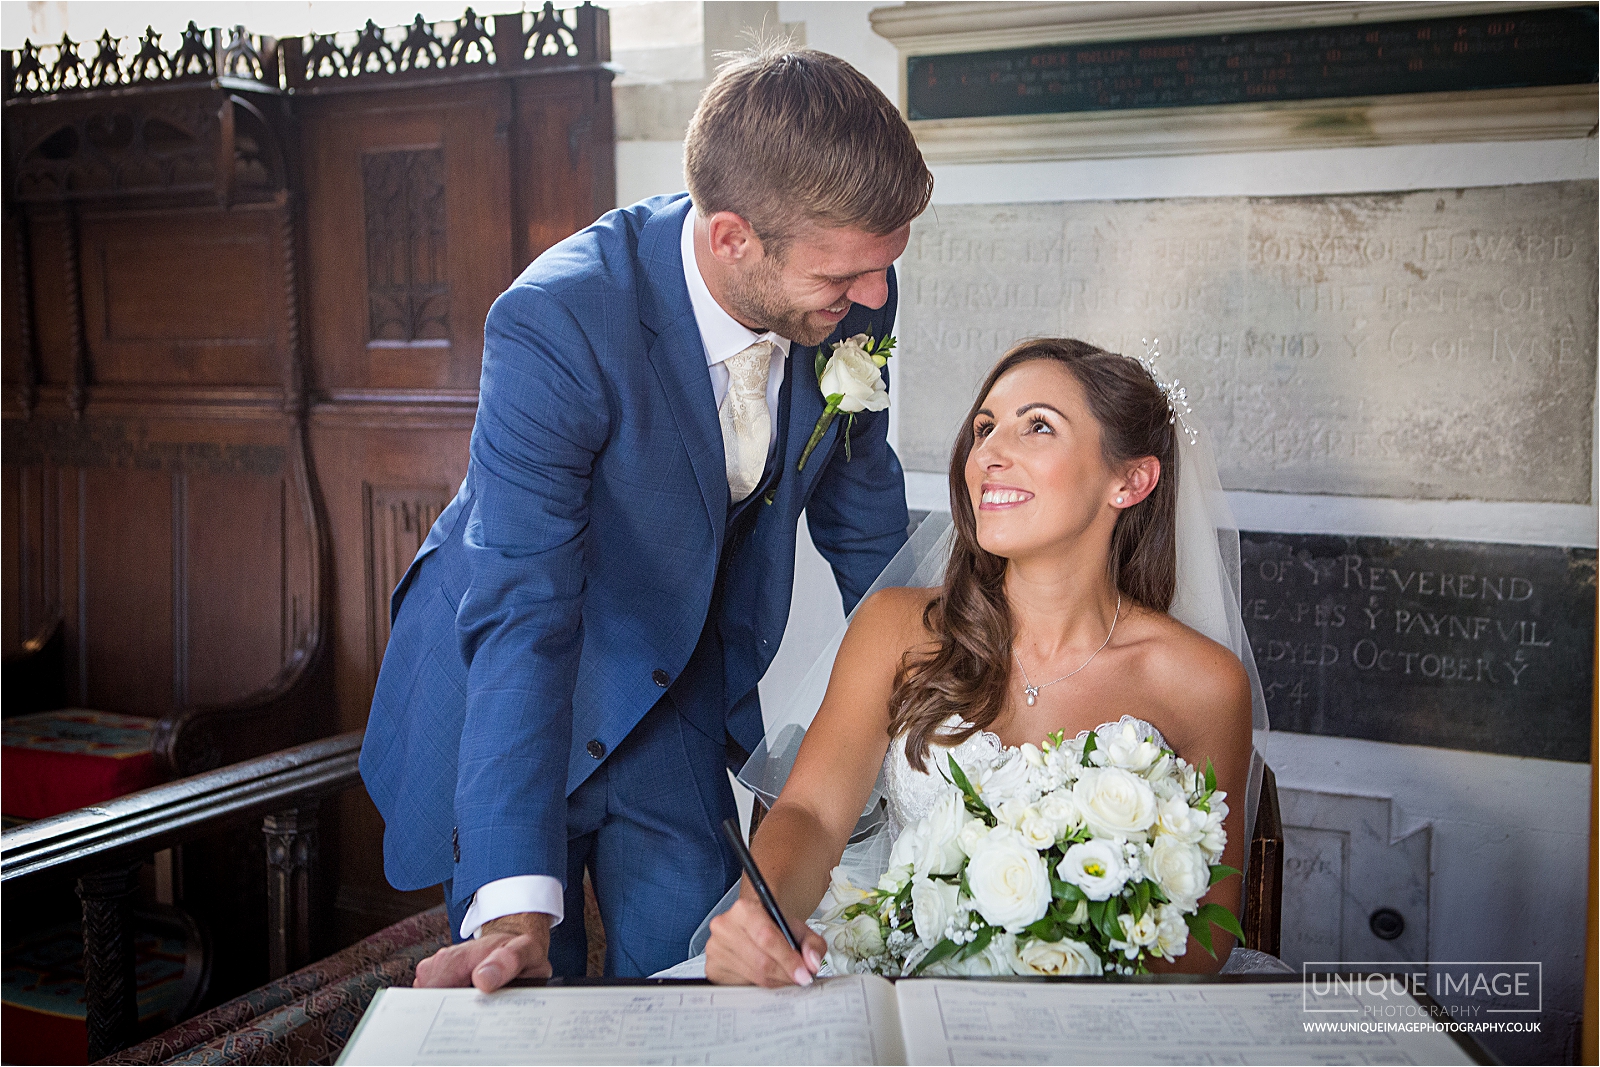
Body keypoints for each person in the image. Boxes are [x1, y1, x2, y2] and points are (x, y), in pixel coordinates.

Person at [359, 44, 933, 986]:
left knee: (694, 978)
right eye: (844, 279)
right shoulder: (560, 322)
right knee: (533, 989)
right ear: (733, 239)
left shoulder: (856, 293)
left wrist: (972, 686)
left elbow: (866, 522)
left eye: (883, 270)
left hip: (678, 679)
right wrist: (513, 909)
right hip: (516, 675)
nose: (873, 298)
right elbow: (525, 611)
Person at [705, 338, 1260, 986]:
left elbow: (1211, 928)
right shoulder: (896, 629)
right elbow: (813, 816)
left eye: (1038, 426)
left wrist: (1042, 955)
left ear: (1129, 479)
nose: (989, 455)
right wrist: (760, 913)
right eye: (984, 427)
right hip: (910, 990)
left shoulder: (1203, 683)